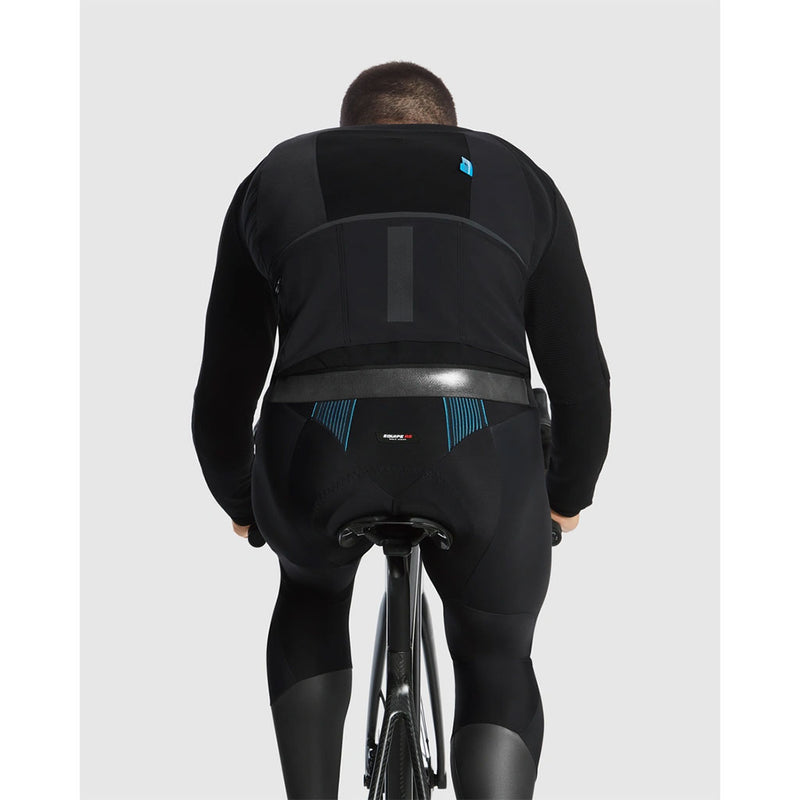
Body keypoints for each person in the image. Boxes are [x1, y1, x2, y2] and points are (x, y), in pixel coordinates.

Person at [191, 60, 611, 799]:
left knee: (310, 593)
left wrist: (241, 499)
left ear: (348, 130)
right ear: (446, 125)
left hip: (322, 445)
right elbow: (583, 383)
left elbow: (224, 389)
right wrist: (567, 494)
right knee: (496, 654)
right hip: (479, 446)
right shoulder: (517, 175)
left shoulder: (278, 175)